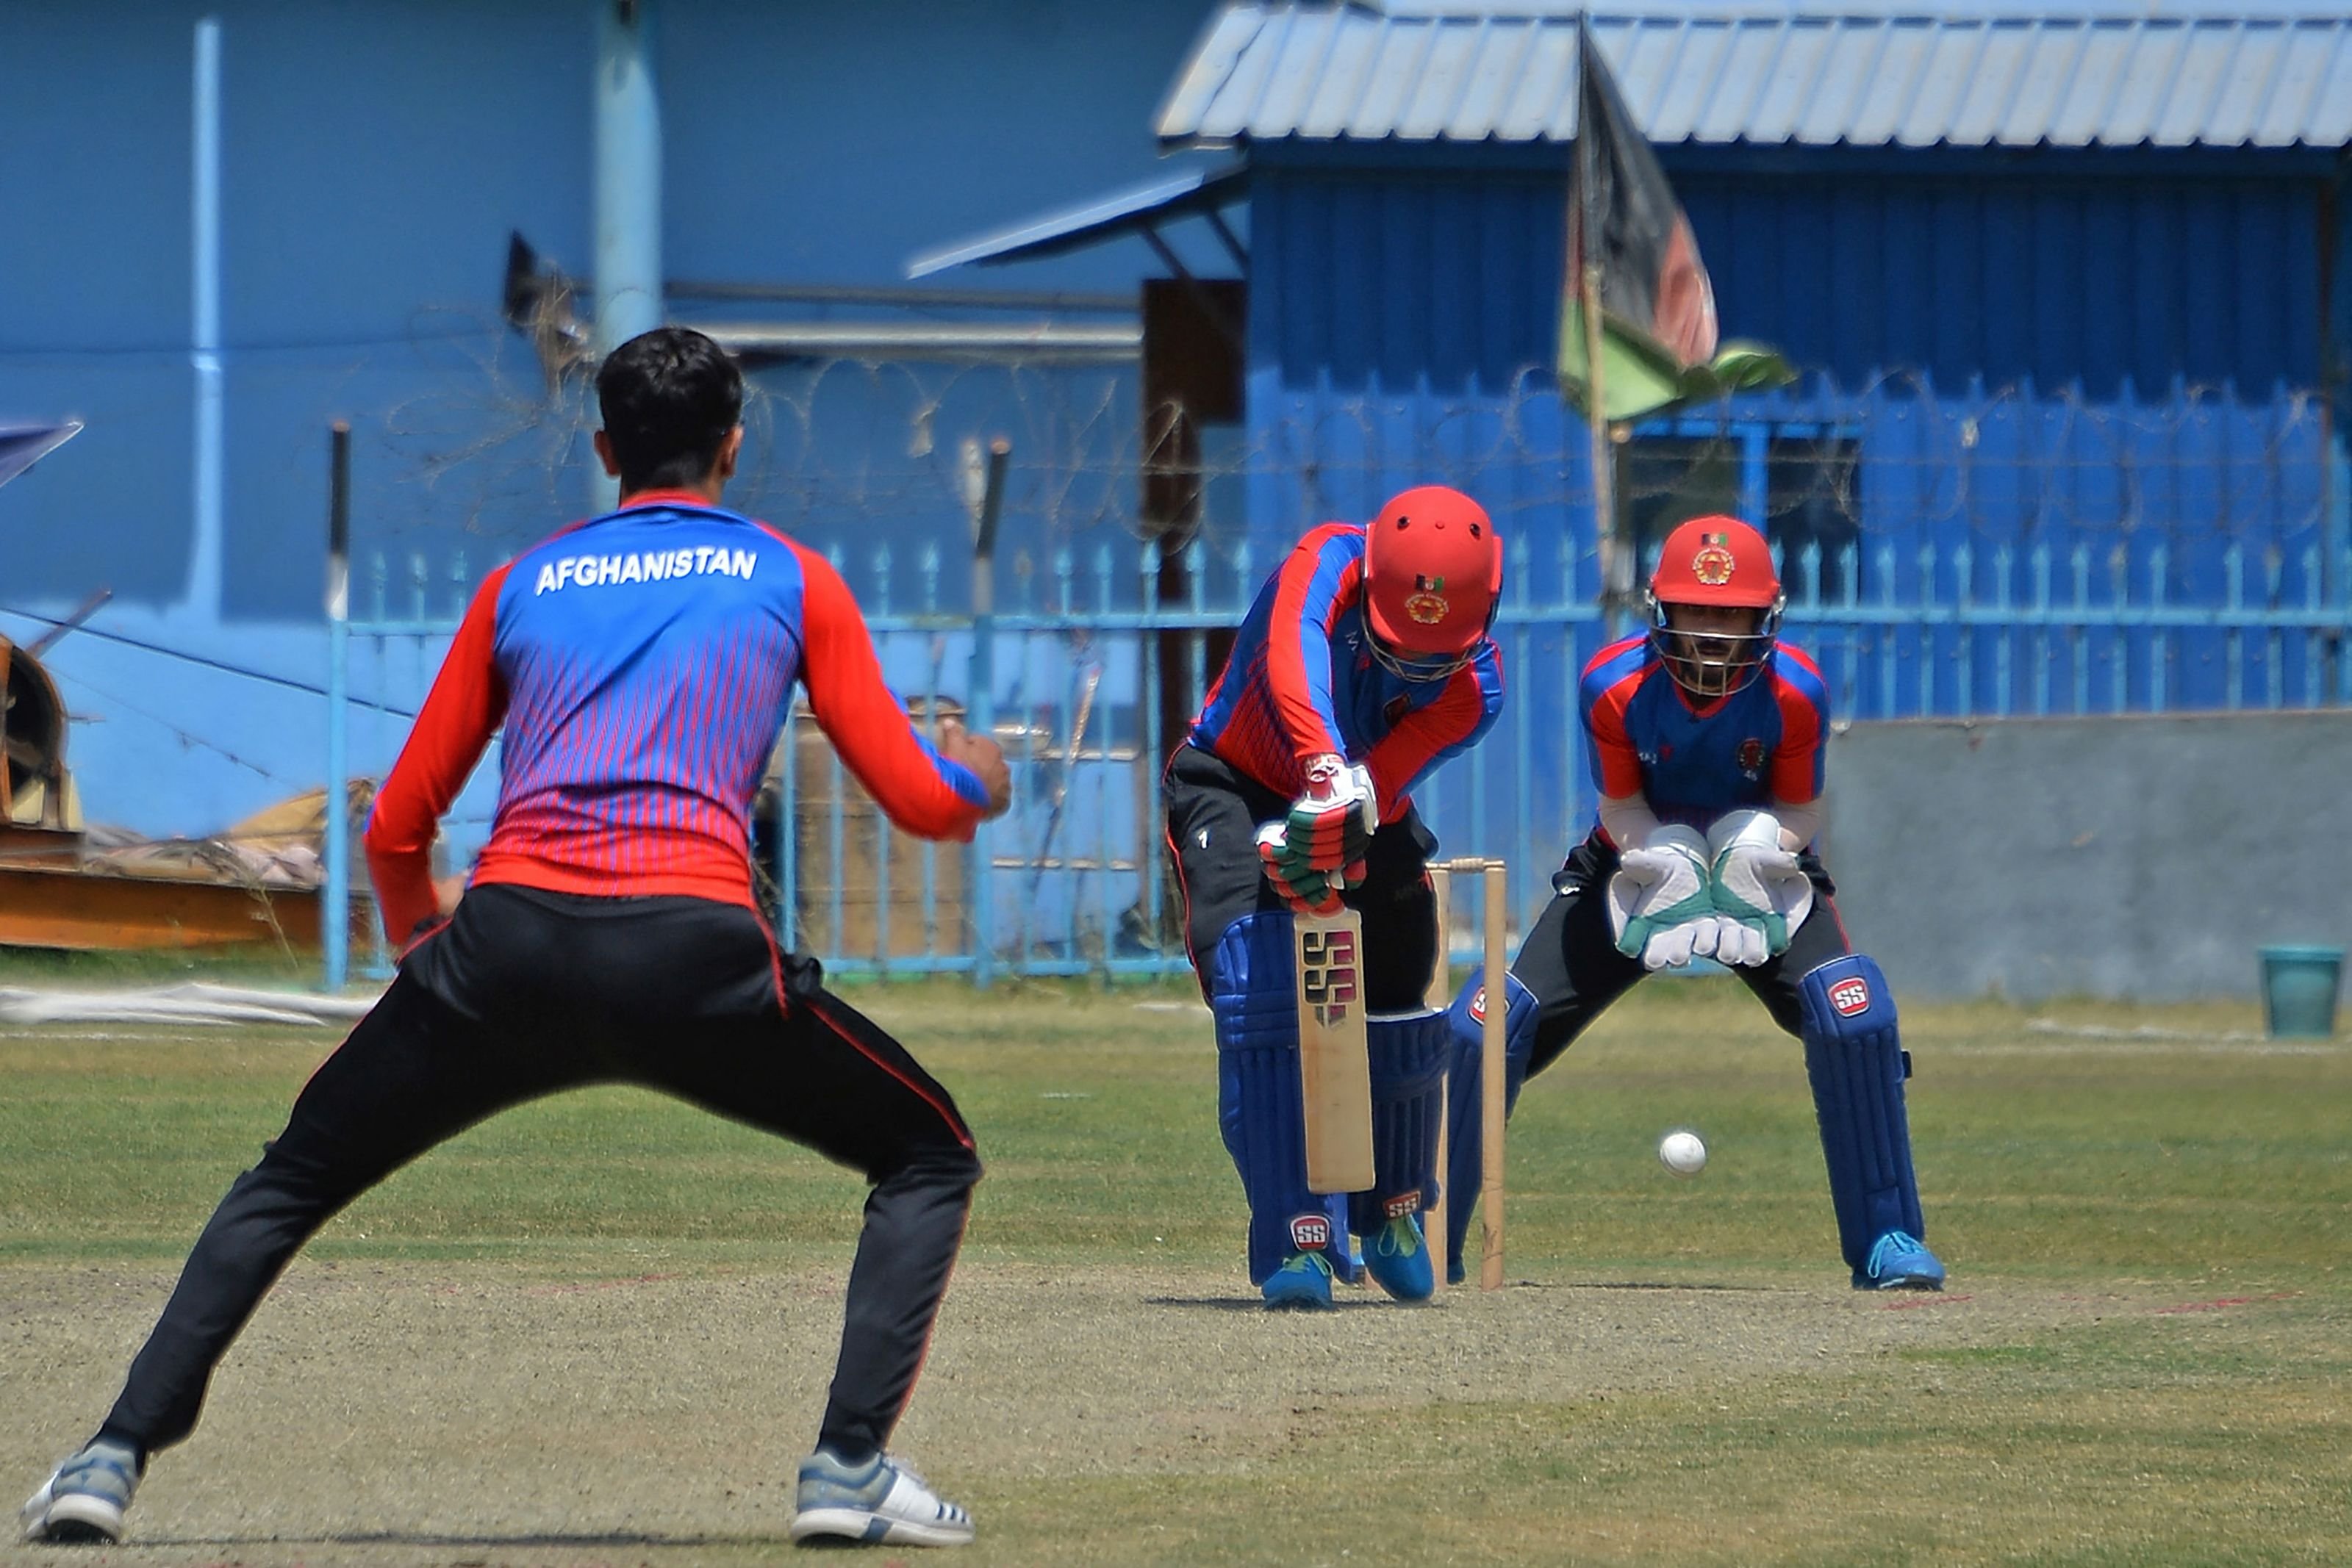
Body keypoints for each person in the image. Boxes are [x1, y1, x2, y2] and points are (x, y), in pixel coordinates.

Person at [20, 327, 1012, 1550]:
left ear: (602, 451)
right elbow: (918, 799)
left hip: (506, 946)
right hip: (692, 952)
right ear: (735, 447)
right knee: (930, 1152)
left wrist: (420, 944)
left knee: (289, 1178)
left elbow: (397, 822)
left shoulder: (522, 582)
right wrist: (981, 778)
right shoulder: (791, 575)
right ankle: (847, 1464)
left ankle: (109, 1455)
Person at [1441, 514, 1946, 1292]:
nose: (1713, 632)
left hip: (1761, 871)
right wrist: (1663, 858)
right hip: (1635, 872)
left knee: (1855, 1019)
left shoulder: (1796, 691)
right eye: (1696, 611)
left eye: (1731, 612)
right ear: (1660, 611)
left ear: (1764, 616)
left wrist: (1752, 854)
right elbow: (1617, 803)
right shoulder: (1611, 685)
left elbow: (1802, 810)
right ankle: (1422, 1233)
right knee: (1485, 1026)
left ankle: (1887, 1238)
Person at [1164, 485, 1506, 1309]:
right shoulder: (1324, 562)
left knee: (1400, 950)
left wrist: (1334, 838)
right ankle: (1298, 1236)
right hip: (1233, 780)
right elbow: (1290, 663)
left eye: (1435, 655)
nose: (1416, 671)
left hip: (1359, 798)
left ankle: (1391, 1207)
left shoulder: (1474, 692)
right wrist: (1321, 773)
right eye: (1399, 650)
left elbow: (1384, 782)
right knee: (1257, 993)